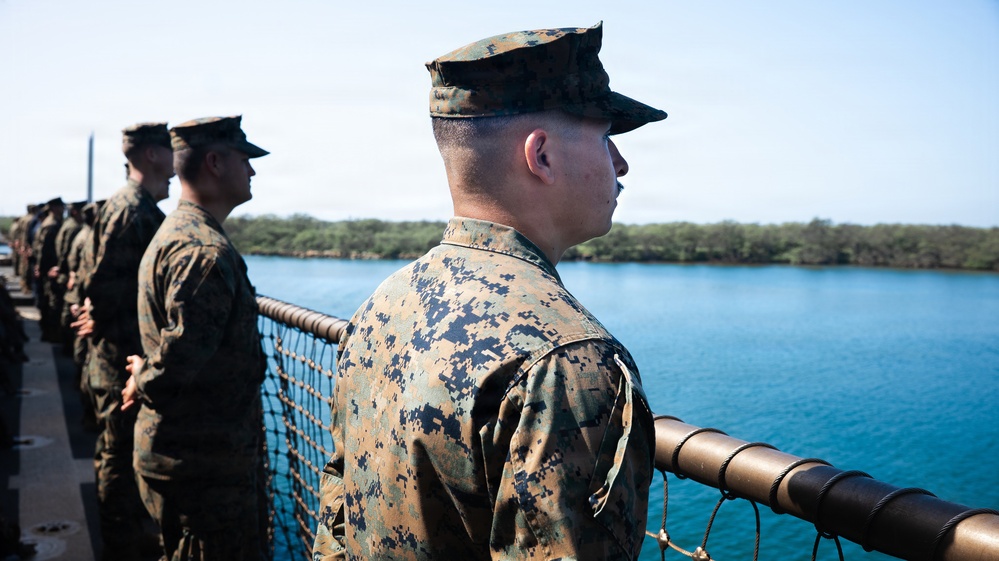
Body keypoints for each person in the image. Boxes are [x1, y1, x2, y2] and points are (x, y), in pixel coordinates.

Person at [313, 23, 666, 560]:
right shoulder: (566, 361)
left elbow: (338, 514)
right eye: (604, 137)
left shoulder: (384, 305)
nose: (621, 163)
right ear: (541, 156)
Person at [122, 115, 269, 561]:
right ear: (214, 163)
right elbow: (179, 361)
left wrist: (143, 373)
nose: (252, 169)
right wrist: (142, 378)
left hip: (187, 459)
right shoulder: (202, 251)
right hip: (202, 471)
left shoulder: (180, 233)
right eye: (244, 158)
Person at [78, 122, 172, 560]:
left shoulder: (131, 205)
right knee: (117, 456)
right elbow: (103, 285)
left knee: (117, 453)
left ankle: (124, 537)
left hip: (119, 355)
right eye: (169, 149)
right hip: (119, 360)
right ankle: (119, 546)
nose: (176, 161)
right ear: (151, 154)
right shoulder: (133, 209)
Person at [31, 197, 65, 342]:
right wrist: (41, 267)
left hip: (48, 268)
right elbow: (44, 249)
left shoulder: (51, 223)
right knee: (51, 302)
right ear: (54, 208)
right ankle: (50, 333)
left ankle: (49, 332)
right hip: (49, 269)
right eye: (61, 207)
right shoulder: (51, 225)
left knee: (49, 300)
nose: (63, 209)